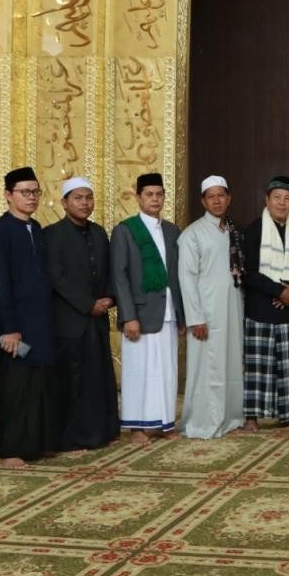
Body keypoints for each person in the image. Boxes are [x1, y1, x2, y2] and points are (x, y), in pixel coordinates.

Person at [0, 167, 61, 468]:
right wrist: (11, 328)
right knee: (15, 390)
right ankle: (11, 450)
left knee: (39, 386)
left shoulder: (37, 228)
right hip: (13, 325)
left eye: (35, 192)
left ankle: (36, 444)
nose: (31, 198)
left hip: (40, 322)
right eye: (24, 192)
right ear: (8, 195)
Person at [110, 172, 185, 445]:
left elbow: (177, 277)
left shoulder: (172, 230)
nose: (155, 199)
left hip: (167, 313)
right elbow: (119, 276)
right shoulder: (126, 230)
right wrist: (128, 316)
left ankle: (163, 423)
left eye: (159, 194)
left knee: (166, 372)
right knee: (139, 372)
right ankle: (137, 427)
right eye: (149, 195)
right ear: (138, 197)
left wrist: (181, 315)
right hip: (140, 315)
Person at [45, 177, 119, 450]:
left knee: (97, 378)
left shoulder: (99, 232)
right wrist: (88, 304)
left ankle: (100, 432)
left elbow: (110, 269)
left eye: (88, 198)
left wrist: (110, 297)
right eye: (78, 198)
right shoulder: (52, 234)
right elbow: (56, 277)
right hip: (69, 321)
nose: (84, 203)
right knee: (71, 380)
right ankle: (71, 438)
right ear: (64, 203)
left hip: (97, 320)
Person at [240, 175, 289, 430]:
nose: (282, 203)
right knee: (258, 366)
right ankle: (252, 416)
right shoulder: (254, 229)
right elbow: (248, 271)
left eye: (287, 199)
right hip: (261, 306)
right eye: (277, 198)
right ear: (267, 200)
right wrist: (276, 291)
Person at [178, 175, 245, 439]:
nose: (217, 201)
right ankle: (204, 421)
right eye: (211, 196)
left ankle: (230, 418)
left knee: (231, 365)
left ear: (229, 198)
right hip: (206, 313)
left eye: (221, 195)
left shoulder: (234, 231)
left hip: (233, 309)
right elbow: (187, 277)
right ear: (203, 201)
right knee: (208, 368)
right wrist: (195, 318)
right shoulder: (192, 234)